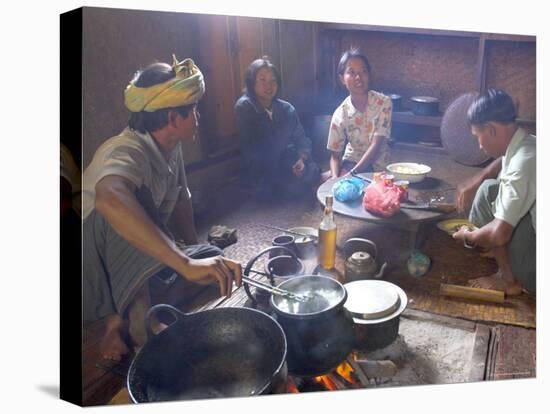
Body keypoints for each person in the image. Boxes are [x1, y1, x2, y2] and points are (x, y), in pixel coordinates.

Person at [82, 55, 242, 361]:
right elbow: (108, 196)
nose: (198, 116)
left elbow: (182, 199)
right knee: (127, 206)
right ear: (173, 118)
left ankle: (136, 310)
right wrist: (183, 264)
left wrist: (194, 254)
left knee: (214, 261)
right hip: (93, 276)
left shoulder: (172, 147)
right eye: (194, 110)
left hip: (136, 269)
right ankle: (135, 323)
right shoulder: (127, 149)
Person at [452, 89, 535, 296]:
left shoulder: (521, 165)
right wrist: (478, 178)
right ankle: (506, 263)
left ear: (490, 130)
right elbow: (504, 160)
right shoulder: (528, 143)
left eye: (477, 136)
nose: (480, 146)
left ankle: (512, 280)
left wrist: (469, 237)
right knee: (488, 188)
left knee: (493, 216)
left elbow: (499, 234)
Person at [234, 57, 320, 199]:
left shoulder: (287, 108)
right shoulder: (245, 107)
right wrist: (288, 164)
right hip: (262, 168)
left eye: (273, 80)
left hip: (287, 160)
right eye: (262, 80)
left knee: (308, 169)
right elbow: (257, 149)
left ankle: (307, 179)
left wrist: (302, 159)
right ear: (252, 82)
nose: (269, 85)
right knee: (287, 188)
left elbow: (301, 139)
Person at [326, 48, 392, 179]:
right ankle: (328, 176)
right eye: (351, 72)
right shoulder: (340, 113)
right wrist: (334, 178)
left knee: (370, 193)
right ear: (342, 79)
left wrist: (350, 175)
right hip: (351, 162)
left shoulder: (383, 103)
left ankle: (327, 176)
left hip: (379, 165)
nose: (358, 77)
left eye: (363, 71)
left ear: (369, 75)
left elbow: (376, 145)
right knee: (342, 188)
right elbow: (335, 156)